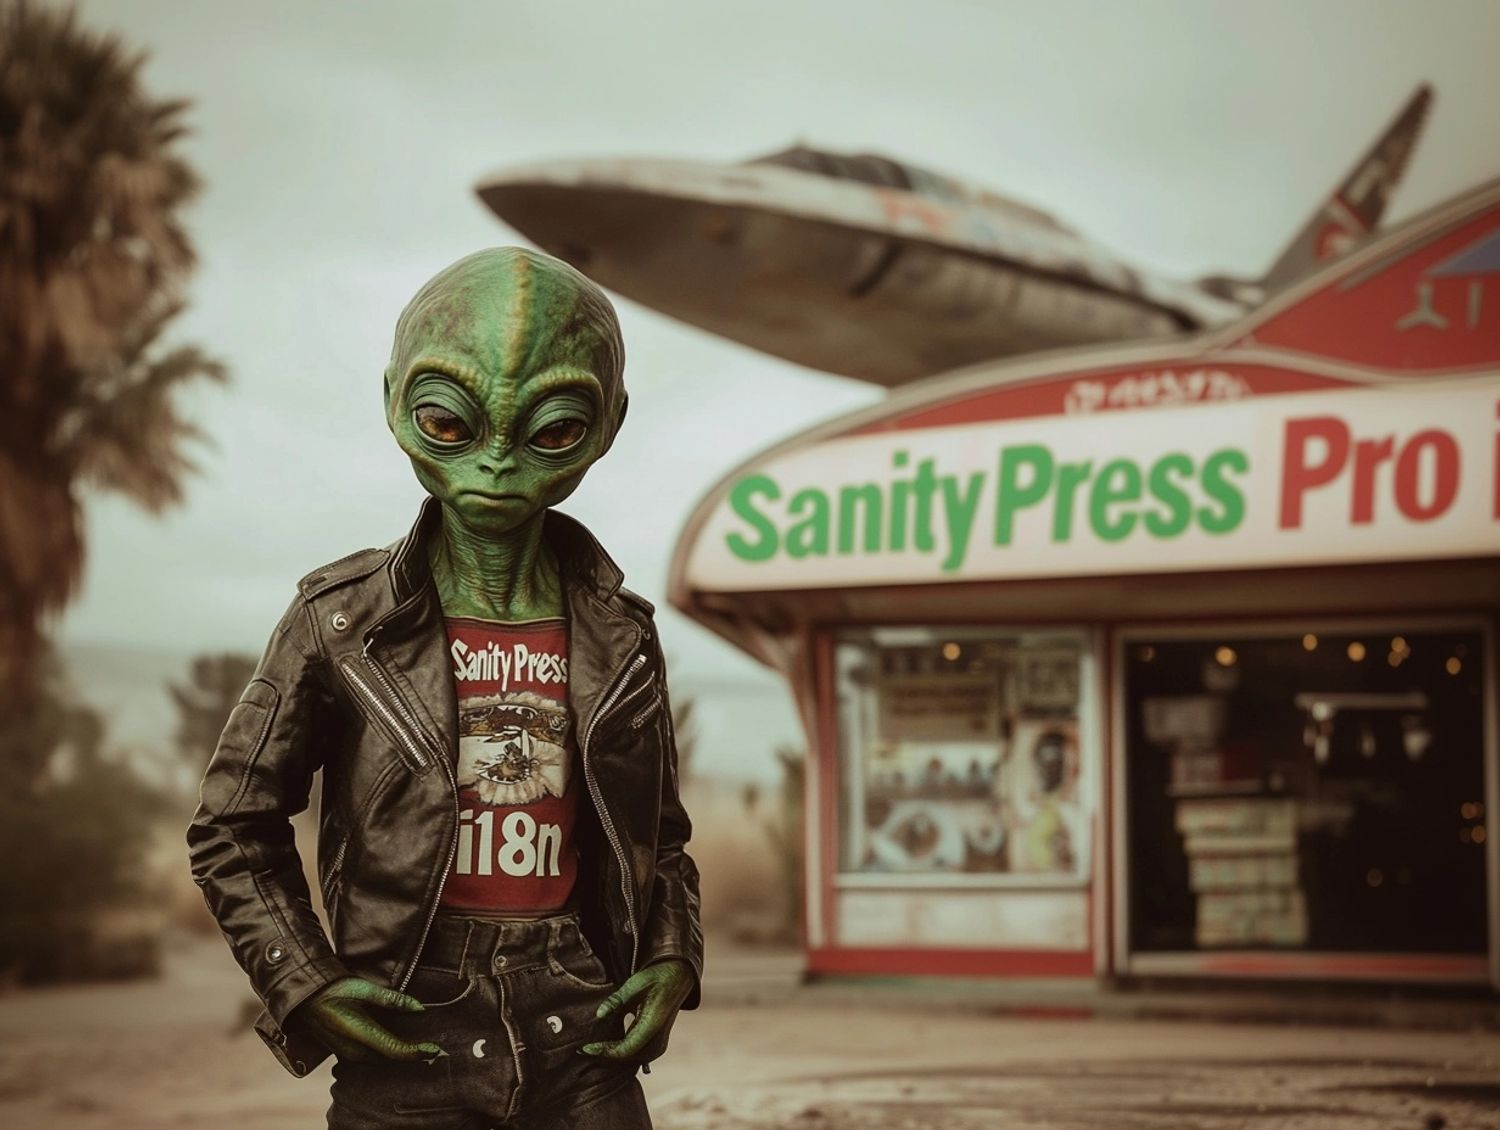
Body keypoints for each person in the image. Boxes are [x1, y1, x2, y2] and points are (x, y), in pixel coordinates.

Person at [188, 247, 702, 1128]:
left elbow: (659, 835)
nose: (497, 465)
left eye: (550, 429)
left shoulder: (622, 629)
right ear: (395, 402)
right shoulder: (339, 621)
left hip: (581, 1017)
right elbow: (232, 825)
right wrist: (304, 981)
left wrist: (671, 959)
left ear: (609, 422)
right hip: (409, 1016)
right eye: (452, 423)